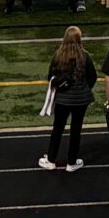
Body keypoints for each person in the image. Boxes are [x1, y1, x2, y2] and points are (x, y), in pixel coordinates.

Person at [40, 24, 95, 171]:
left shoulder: (58, 55)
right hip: (81, 100)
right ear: (79, 39)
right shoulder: (86, 55)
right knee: (76, 130)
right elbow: (93, 78)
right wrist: (83, 89)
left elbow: (50, 76)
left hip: (63, 99)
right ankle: (71, 162)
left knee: (57, 128)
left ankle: (51, 160)